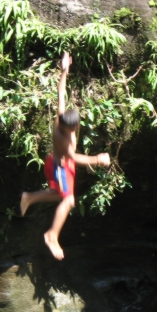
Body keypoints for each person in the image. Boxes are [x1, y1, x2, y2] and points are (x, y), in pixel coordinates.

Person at [20, 52, 110, 260]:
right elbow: (73, 157)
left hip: (59, 165)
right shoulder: (63, 136)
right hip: (59, 166)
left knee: (58, 194)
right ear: (74, 127)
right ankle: (52, 235)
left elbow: (61, 93)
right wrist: (98, 159)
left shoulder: (62, 118)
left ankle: (29, 197)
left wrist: (64, 71)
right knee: (68, 200)